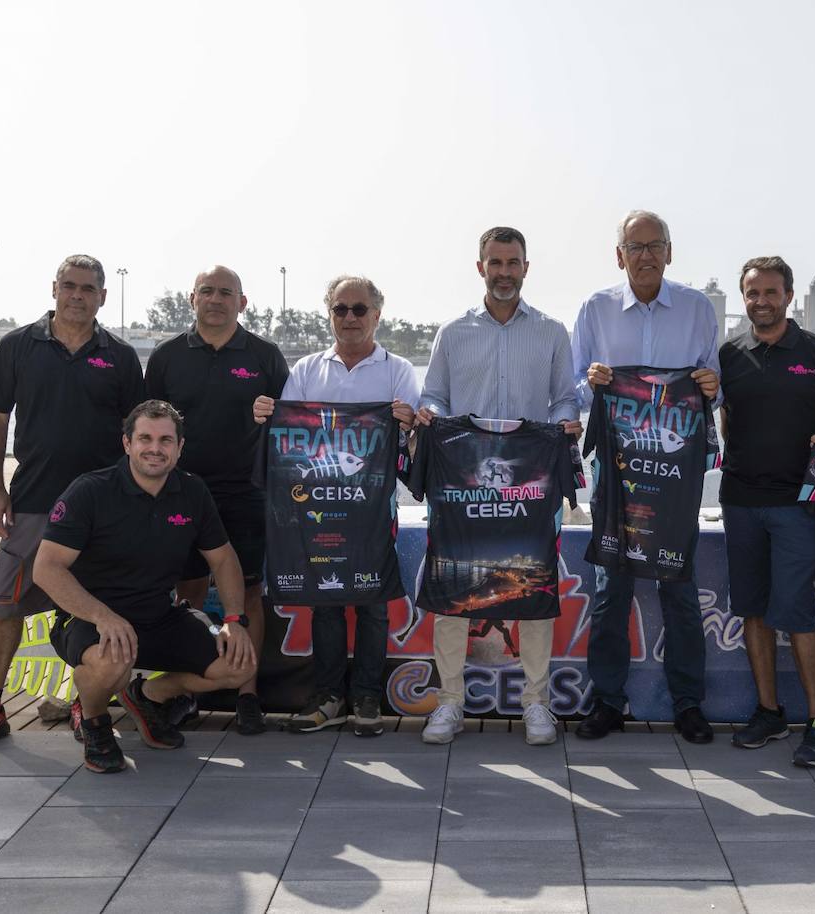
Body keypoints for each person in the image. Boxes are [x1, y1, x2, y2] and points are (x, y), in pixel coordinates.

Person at [0, 255, 144, 752]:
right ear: (54, 289)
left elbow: (136, 436)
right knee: (5, 608)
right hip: (34, 501)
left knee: (92, 608)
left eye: (88, 288)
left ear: (103, 296)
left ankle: (87, 704)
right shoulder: (19, 345)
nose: (77, 295)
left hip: (99, 511)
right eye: (69, 286)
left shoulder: (120, 357)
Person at [415, 226, 581, 746]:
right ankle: (449, 703)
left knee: (531, 587)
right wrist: (432, 416)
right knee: (452, 591)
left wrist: (567, 422)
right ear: (480, 266)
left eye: (513, 263)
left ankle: (536, 703)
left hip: (531, 487)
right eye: (496, 262)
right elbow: (435, 395)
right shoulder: (452, 333)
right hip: (463, 484)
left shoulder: (552, 332)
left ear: (526, 268)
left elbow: (564, 399)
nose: (504, 271)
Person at [35, 401, 257, 773]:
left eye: (166, 440)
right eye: (145, 438)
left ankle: (148, 697)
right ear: (126, 443)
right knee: (113, 662)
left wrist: (234, 619)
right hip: (89, 621)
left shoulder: (192, 491)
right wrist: (103, 617)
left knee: (239, 665)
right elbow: (46, 569)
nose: (155, 448)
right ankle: (95, 724)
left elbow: (223, 558)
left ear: (179, 448)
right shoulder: (89, 491)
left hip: (158, 616)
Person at [570, 209, 720, 743]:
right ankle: (608, 701)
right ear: (619, 256)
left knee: (679, 588)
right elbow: (572, 389)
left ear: (670, 252)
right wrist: (592, 381)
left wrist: (708, 385)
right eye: (635, 247)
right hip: (614, 471)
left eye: (655, 245)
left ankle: (688, 704)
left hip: (675, 474)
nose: (646, 255)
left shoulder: (699, 309)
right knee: (611, 588)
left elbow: (714, 388)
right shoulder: (596, 308)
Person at [253, 275, 418, 736]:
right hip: (317, 506)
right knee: (322, 601)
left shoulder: (399, 370)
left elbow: (417, 440)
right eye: (340, 309)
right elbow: (285, 439)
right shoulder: (306, 369)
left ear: (376, 316)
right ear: (329, 315)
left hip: (373, 509)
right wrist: (264, 415)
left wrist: (408, 424)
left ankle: (366, 696)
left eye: (359, 310)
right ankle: (328, 697)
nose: (349, 318)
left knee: (373, 603)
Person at [144, 266, 288, 735]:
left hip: (246, 493)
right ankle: (183, 693)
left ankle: (247, 692)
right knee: (186, 594)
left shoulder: (265, 356)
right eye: (207, 291)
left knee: (247, 594)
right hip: (180, 492)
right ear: (192, 298)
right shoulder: (166, 357)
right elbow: (148, 432)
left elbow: (291, 427)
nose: (216, 299)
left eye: (226, 293)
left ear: (242, 303)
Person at [719, 256, 815, 767]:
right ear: (744, 296)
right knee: (752, 610)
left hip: (797, 504)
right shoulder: (729, 353)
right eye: (753, 293)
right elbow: (725, 421)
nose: (762, 301)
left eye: (771, 292)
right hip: (740, 500)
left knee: (795, 615)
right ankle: (768, 712)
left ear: (790, 296)